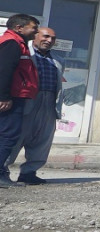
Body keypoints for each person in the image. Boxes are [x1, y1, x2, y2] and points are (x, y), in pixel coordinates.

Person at [5, 27, 64, 185]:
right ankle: (2, 170)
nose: (49, 40)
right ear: (36, 36)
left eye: (53, 38)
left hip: (49, 102)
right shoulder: (25, 53)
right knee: (16, 137)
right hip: (27, 99)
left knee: (42, 139)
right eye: (46, 36)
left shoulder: (58, 60)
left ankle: (29, 173)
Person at [0, 13, 41, 186]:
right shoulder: (12, 43)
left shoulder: (17, 43)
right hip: (11, 98)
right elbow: (4, 70)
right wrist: (4, 97)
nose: (36, 32)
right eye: (34, 28)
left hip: (14, 96)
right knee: (8, 135)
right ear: (19, 28)